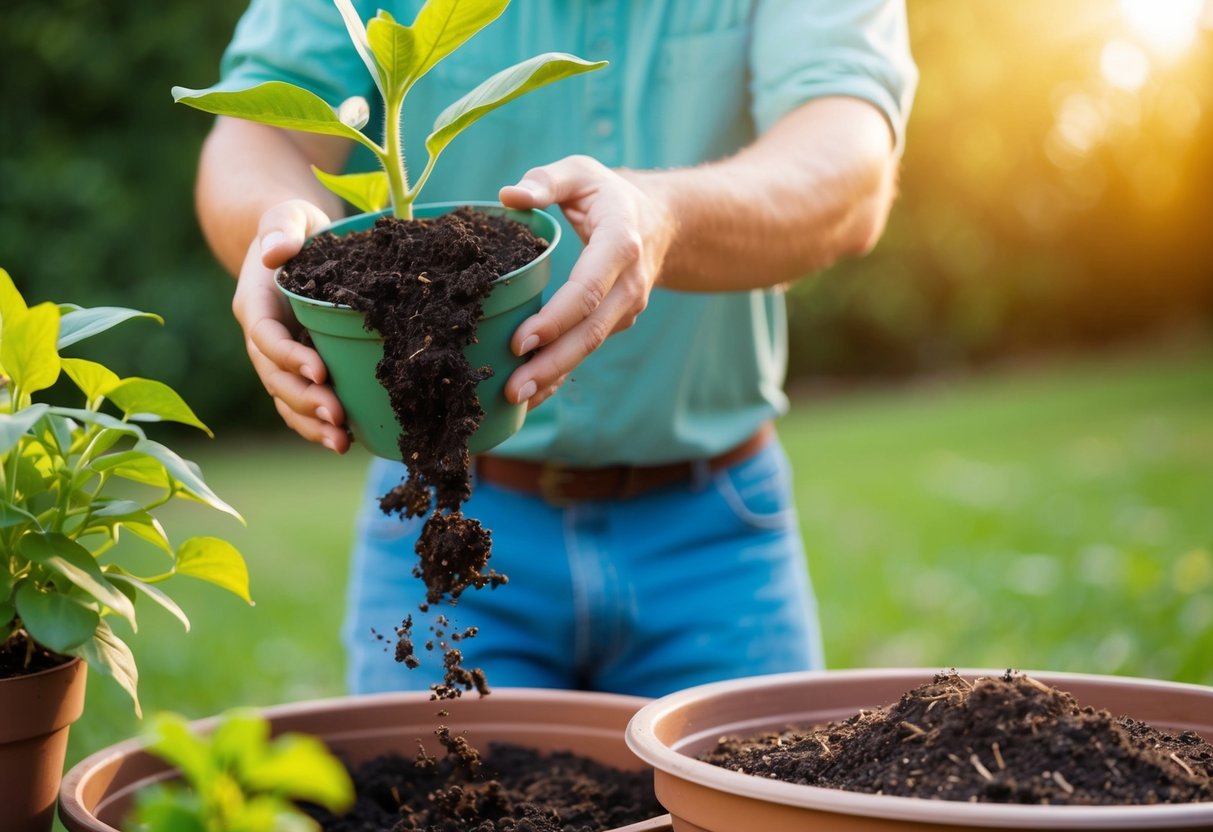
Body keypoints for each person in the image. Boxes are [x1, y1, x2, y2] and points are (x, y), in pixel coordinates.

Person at [195, 0, 917, 697]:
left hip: (714, 538)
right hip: (444, 511)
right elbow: (258, 137)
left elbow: (846, 162)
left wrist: (663, 215)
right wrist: (273, 237)